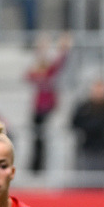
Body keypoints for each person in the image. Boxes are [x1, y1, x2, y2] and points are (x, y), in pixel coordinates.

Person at [25, 33, 71, 173]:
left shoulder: (50, 72)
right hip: (38, 108)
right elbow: (30, 75)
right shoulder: (36, 73)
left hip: (48, 108)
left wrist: (63, 48)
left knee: (46, 137)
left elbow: (60, 62)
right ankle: (36, 167)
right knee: (37, 138)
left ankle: (43, 167)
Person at [70, 78, 104, 188]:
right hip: (86, 147)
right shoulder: (84, 107)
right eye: (96, 89)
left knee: (102, 181)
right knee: (85, 181)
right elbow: (74, 123)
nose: (98, 92)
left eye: (101, 89)